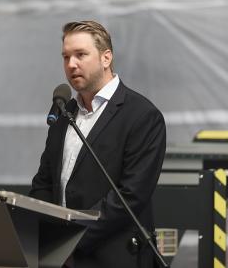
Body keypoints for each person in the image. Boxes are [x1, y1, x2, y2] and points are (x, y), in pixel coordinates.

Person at [30, 20, 166, 268]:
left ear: (106, 58)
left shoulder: (142, 115)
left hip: (114, 258)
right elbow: (44, 182)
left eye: (81, 55)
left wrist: (70, 238)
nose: (71, 64)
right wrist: (45, 237)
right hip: (58, 258)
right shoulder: (64, 113)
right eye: (66, 57)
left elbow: (130, 196)